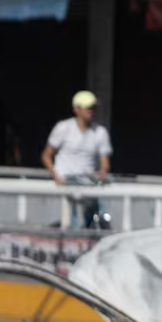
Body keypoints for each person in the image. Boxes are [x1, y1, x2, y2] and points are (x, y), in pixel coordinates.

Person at [43, 90, 112, 229]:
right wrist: (56, 176)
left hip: (88, 184)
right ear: (76, 109)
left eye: (93, 107)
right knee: (69, 223)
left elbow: (105, 163)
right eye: (88, 107)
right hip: (65, 183)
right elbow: (46, 155)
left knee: (92, 222)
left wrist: (102, 173)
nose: (91, 111)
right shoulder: (63, 127)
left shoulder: (100, 132)